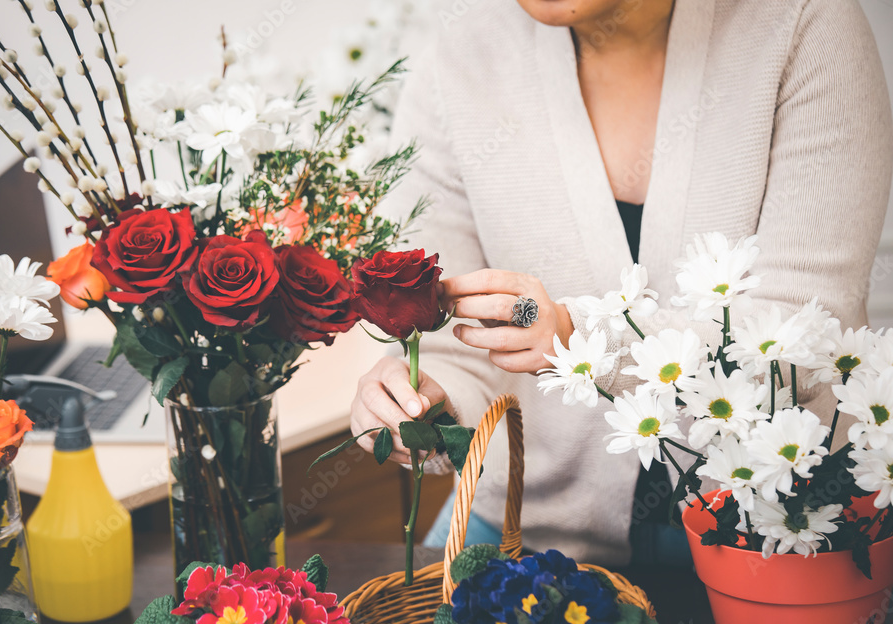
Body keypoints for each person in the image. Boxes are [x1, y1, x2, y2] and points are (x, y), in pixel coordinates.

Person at [350, 0, 893, 567]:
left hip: (778, 523)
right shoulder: (457, 57)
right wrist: (419, 407)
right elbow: (452, 344)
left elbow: (805, 341)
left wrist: (579, 341)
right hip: (525, 522)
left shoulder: (804, 22)